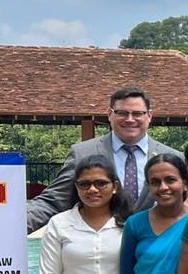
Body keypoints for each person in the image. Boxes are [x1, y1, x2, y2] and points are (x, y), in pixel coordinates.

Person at [26, 87, 178, 231]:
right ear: (110, 114)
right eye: (122, 113)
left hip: (154, 245)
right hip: (97, 244)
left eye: (137, 113)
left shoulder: (173, 158)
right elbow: (53, 201)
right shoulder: (83, 153)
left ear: (149, 116)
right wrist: (14, 223)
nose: (130, 119)